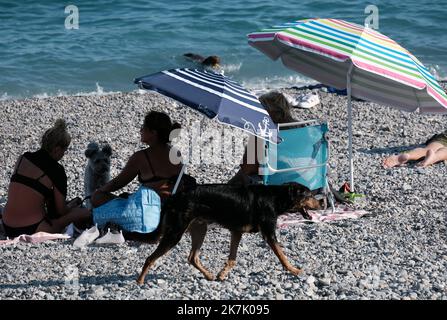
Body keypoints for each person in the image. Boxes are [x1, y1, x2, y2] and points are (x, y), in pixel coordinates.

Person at [1, 119, 91, 238]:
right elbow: (60, 211)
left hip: (7, 225)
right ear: (57, 149)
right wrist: (70, 207)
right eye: (64, 151)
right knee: (85, 212)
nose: (63, 155)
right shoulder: (57, 170)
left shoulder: (23, 158)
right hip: (32, 228)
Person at [228, 91, 296, 185]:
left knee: (240, 177)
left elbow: (247, 169)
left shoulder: (262, 135)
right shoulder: (306, 130)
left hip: (274, 189)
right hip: (306, 184)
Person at [383, 131, 447, 168]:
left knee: (427, 150)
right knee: (444, 152)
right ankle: (435, 157)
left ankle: (409, 155)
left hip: (444, 137)